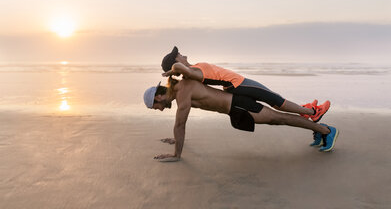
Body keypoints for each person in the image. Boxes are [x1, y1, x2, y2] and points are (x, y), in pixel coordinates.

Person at [143, 77, 339, 162]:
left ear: (158, 97)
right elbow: (180, 125)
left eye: (156, 107)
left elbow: (180, 124)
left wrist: (176, 154)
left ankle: (326, 131)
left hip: (239, 105)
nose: (159, 110)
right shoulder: (182, 92)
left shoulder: (182, 91)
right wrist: (176, 140)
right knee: (281, 119)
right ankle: (320, 130)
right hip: (235, 108)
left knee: (281, 119)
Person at [161, 46, 330, 122]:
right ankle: (312, 112)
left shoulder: (193, 71)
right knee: (276, 100)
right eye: (179, 55)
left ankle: (306, 110)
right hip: (239, 84)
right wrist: (174, 69)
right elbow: (181, 68)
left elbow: (182, 69)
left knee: (275, 101)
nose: (183, 54)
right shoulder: (192, 73)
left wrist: (176, 69)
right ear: (176, 62)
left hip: (236, 85)